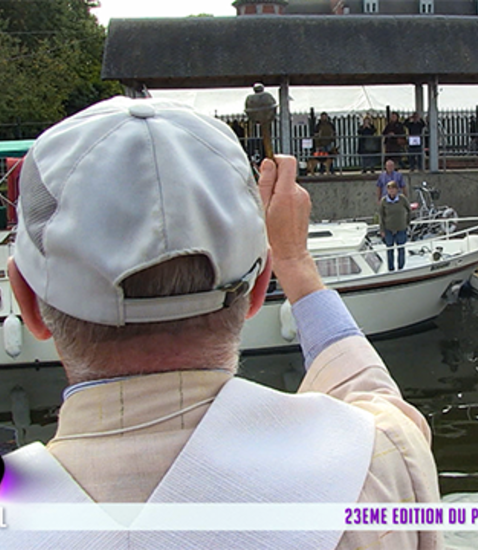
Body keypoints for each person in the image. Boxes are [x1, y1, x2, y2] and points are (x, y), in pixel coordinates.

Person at [1, 97, 442, 549]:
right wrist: (296, 263)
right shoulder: (375, 470)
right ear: (257, 291)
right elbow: (380, 406)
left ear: (28, 302)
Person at [378, 181, 411, 271]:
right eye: (389, 189)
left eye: (393, 189)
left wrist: (407, 222)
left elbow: (409, 210)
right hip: (388, 229)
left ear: (397, 190)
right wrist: (382, 229)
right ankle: (391, 269)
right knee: (390, 249)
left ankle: (401, 268)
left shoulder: (402, 199)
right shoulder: (384, 201)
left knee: (401, 249)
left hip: (401, 228)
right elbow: (381, 215)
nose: (391, 191)